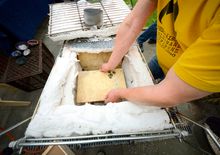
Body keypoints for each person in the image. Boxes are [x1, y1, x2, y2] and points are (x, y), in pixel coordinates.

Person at [100, 0, 220, 107]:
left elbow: (168, 93)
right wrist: (111, 63)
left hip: (201, 85)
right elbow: (132, 23)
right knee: (147, 78)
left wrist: (120, 93)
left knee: (193, 112)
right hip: (166, 56)